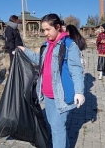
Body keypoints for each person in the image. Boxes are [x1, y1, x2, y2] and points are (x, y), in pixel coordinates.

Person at [18, 13, 85, 148]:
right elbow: (40, 61)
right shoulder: (46, 45)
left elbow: (77, 70)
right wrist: (25, 51)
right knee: (55, 126)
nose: (45, 33)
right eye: (43, 30)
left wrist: (79, 91)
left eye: (48, 29)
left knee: (57, 128)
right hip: (47, 95)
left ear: (58, 27)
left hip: (61, 95)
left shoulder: (70, 45)